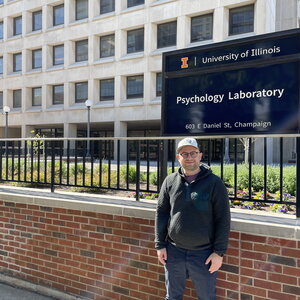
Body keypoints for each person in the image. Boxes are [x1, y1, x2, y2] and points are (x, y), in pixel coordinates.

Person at [155, 137, 231, 300]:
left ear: (200, 155)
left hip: (204, 254)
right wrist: (160, 245)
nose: (189, 157)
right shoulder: (170, 181)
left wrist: (219, 253)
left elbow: (223, 219)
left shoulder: (214, 183)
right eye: (184, 154)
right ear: (178, 157)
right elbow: (161, 213)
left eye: (193, 153)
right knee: (172, 297)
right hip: (173, 252)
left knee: (206, 297)